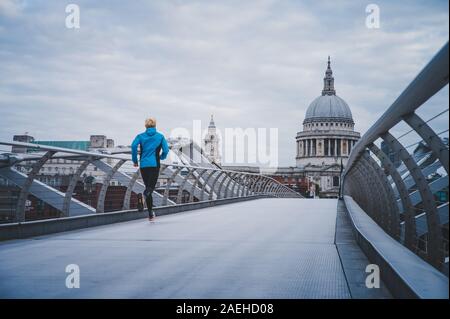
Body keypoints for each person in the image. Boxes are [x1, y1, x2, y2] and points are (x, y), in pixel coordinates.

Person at [131, 117, 169, 221]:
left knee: (148, 188)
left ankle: (150, 215)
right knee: (150, 189)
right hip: (154, 165)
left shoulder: (140, 136)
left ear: (145, 126)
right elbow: (166, 150)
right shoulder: (160, 137)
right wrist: (161, 157)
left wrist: (135, 160)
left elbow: (133, 146)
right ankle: (143, 198)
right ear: (155, 125)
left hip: (143, 165)